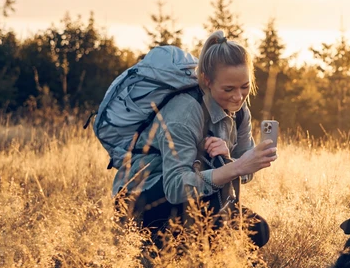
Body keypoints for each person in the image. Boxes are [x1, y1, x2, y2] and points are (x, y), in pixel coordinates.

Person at [113, 30, 277, 250]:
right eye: (228, 89)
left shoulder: (239, 110)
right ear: (206, 80)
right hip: (140, 200)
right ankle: (170, 267)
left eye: (245, 87)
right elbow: (175, 188)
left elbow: (243, 171)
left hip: (195, 199)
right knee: (214, 221)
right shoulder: (184, 115)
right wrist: (236, 166)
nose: (238, 97)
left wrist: (229, 160)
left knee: (259, 231)